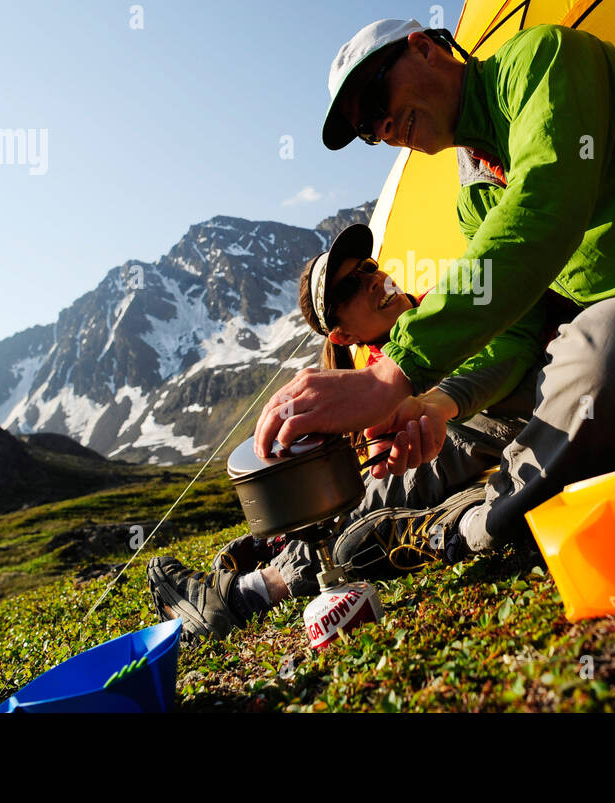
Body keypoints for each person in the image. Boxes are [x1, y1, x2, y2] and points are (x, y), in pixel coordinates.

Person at [254, 18, 615, 571]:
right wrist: (438, 404)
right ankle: (310, 554)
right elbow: (513, 333)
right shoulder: (475, 195)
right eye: (365, 128)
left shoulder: (544, 61)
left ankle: (475, 525)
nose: (380, 127)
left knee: (600, 341)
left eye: (374, 100)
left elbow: (545, 205)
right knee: (555, 368)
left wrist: (395, 373)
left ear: (423, 47)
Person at [146, 222, 547, 641]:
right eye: (351, 286)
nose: (374, 279)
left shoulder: (446, 305)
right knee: (372, 484)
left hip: (492, 423)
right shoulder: (369, 374)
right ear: (343, 334)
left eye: (369, 267)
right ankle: (274, 551)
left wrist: (430, 403)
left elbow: (508, 347)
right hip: (474, 434)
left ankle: (246, 594)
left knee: (382, 490)